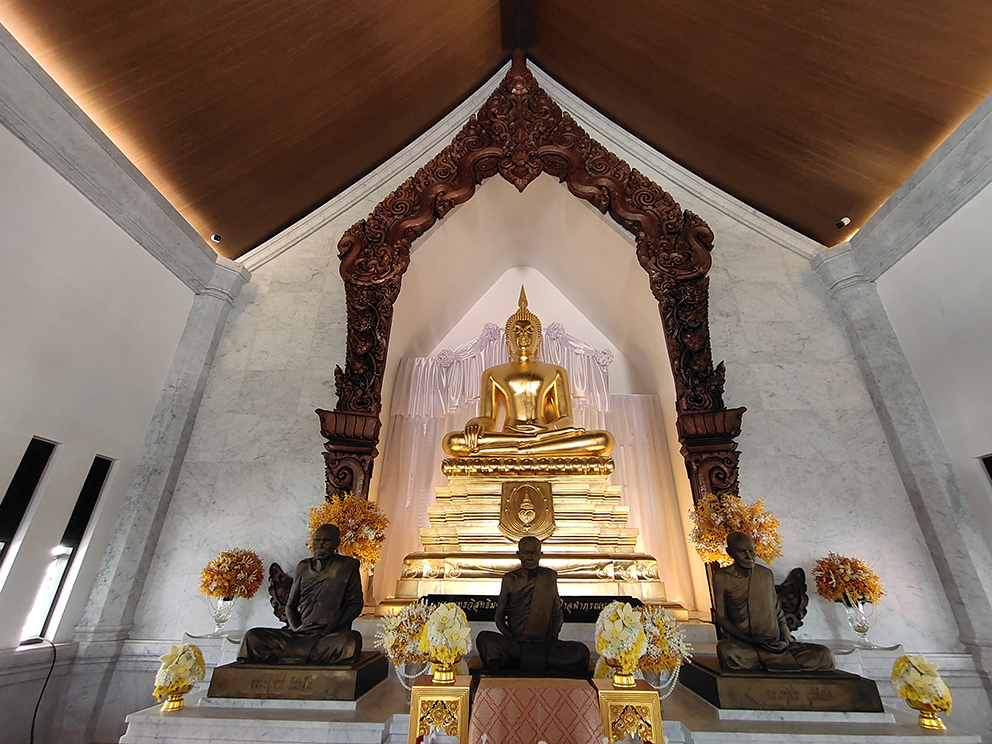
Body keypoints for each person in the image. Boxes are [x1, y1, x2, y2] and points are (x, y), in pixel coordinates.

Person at [442, 288, 614, 458]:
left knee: (604, 440)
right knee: (452, 442)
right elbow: (489, 419)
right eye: (516, 331)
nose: (523, 335)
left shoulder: (556, 371)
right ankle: (524, 446)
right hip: (510, 436)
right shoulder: (492, 373)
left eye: (530, 331)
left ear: (538, 340)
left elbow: (566, 419)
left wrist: (546, 429)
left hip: (545, 436)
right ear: (507, 341)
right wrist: (476, 423)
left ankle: (521, 449)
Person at [238, 524, 363, 665]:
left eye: (326, 541)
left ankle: (286, 656)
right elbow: (290, 606)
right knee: (252, 637)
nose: (320, 546)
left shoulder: (347, 566)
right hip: (298, 634)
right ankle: (304, 656)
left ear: (337, 544)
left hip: (327, 636)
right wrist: (297, 628)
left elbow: (355, 605)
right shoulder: (304, 566)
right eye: (317, 541)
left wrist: (329, 628)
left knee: (351, 641)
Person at [713, 531, 833, 672]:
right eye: (742, 552)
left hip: (775, 644)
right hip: (746, 645)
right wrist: (751, 640)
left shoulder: (765, 575)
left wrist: (785, 638)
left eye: (751, 551)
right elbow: (721, 618)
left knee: (824, 655)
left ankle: (773, 660)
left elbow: (777, 611)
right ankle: (770, 660)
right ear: (730, 553)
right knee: (727, 651)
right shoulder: (722, 577)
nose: (749, 557)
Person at [476, 536, 590, 671]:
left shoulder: (549, 576)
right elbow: (499, 618)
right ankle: (538, 660)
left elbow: (557, 614)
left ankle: (519, 660)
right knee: (484, 639)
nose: (530, 557)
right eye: (526, 553)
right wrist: (514, 638)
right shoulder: (510, 579)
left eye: (534, 553)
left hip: (545, 644)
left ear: (541, 555)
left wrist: (551, 637)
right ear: (518, 555)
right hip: (517, 643)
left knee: (580, 651)